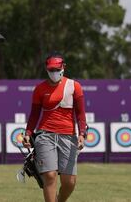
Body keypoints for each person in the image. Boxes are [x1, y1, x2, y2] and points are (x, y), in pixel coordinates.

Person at [23, 52, 87, 202]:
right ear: (46, 69)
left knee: (69, 182)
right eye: (51, 70)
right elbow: (34, 115)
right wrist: (28, 133)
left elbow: (80, 114)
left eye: (57, 70)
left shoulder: (74, 86)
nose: (54, 73)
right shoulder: (39, 89)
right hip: (45, 135)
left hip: (68, 136)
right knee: (50, 176)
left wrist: (82, 134)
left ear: (63, 68)